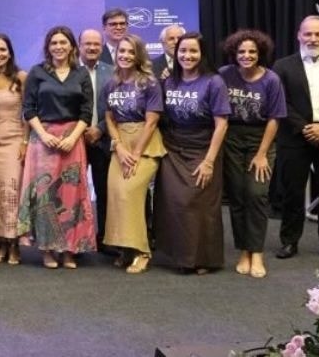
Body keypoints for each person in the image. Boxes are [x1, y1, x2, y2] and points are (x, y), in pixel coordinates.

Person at [17, 26, 97, 269]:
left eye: (63, 42)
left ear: (72, 46)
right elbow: (28, 108)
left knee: (71, 196)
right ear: (48, 47)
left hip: (73, 140)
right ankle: (47, 250)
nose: (59, 47)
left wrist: (73, 137)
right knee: (45, 197)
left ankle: (70, 250)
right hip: (43, 141)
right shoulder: (37, 72)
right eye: (54, 43)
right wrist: (42, 135)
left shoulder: (81, 73)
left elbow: (86, 110)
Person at [153, 31, 230, 274]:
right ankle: (181, 257)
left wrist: (209, 161)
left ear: (202, 53)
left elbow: (222, 124)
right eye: (183, 51)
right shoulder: (169, 81)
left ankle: (204, 259)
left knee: (198, 204)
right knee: (175, 203)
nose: (187, 55)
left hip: (203, 149)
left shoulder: (214, 82)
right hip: (173, 150)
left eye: (193, 51)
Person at [219, 29, 286, 278]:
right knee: (237, 196)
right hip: (232, 139)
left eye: (252, 52)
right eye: (242, 51)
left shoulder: (271, 80)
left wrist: (262, 153)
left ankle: (257, 251)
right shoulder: (225, 74)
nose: (246, 55)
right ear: (234, 53)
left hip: (261, 139)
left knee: (256, 194)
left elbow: (275, 119)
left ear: (260, 54)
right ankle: (244, 251)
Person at [274, 16, 319, 262]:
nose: (313, 39)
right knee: (292, 192)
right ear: (299, 36)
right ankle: (289, 241)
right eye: (308, 34)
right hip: (294, 139)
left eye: (318, 34)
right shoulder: (282, 66)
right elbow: (280, 102)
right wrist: (305, 128)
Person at [102, 35, 166, 274]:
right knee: (117, 195)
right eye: (122, 51)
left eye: (131, 52)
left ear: (138, 55)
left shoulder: (149, 83)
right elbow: (109, 117)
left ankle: (142, 251)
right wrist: (118, 146)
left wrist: (136, 153)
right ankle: (126, 249)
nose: (125, 56)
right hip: (120, 144)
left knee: (130, 194)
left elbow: (152, 122)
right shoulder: (111, 84)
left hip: (144, 144)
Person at [0, 33, 28, 265]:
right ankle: (0, 241)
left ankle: (13, 243)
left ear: (10, 53)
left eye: (2, 50)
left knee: (12, 193)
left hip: (14, 142)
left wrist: (25, 142)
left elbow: (29, 112)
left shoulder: (21, 77)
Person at [78, 28, 114, 250]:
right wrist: (80, 131)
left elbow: (117, 106)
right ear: (79, 46)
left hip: (103, 140)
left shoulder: (113, 72)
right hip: (74, 141)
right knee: (74, 192)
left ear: (102, 47)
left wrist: (100, 129)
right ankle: (76, 241)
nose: (92, 48)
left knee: (105, 192)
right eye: (87, 44)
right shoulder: (69, 72)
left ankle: (105, 239)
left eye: (96, 44)